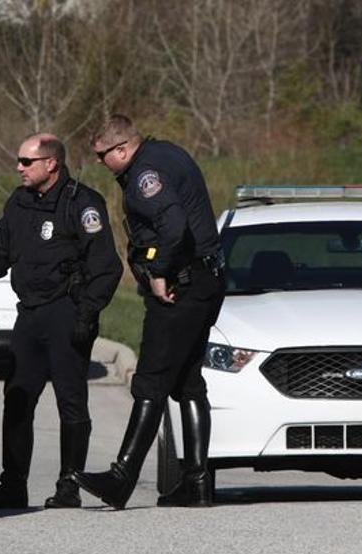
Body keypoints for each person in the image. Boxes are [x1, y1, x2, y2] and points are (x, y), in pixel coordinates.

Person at [0, 133, 122, 509]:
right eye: (19, 161)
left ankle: (68, 485)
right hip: (29, 315)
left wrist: (87, 313)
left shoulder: (83, 204)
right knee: (17, 399)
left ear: (51, 164)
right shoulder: (20, 202)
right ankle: (13, 484)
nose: (19, 168)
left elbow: (106, 267)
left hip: (67, 313)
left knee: (71, 403)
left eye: (26, 162)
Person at [72, 114, 226, 509]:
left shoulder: (144, 176)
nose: (101, 164)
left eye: (103, 155)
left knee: (151, 381)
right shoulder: (167, 153)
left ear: (122, 149)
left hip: (180, 286)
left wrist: (159, 272)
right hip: (207, 282)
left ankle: (121, 478)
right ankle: (197, 483)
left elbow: (174, 225)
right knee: (188, 384)